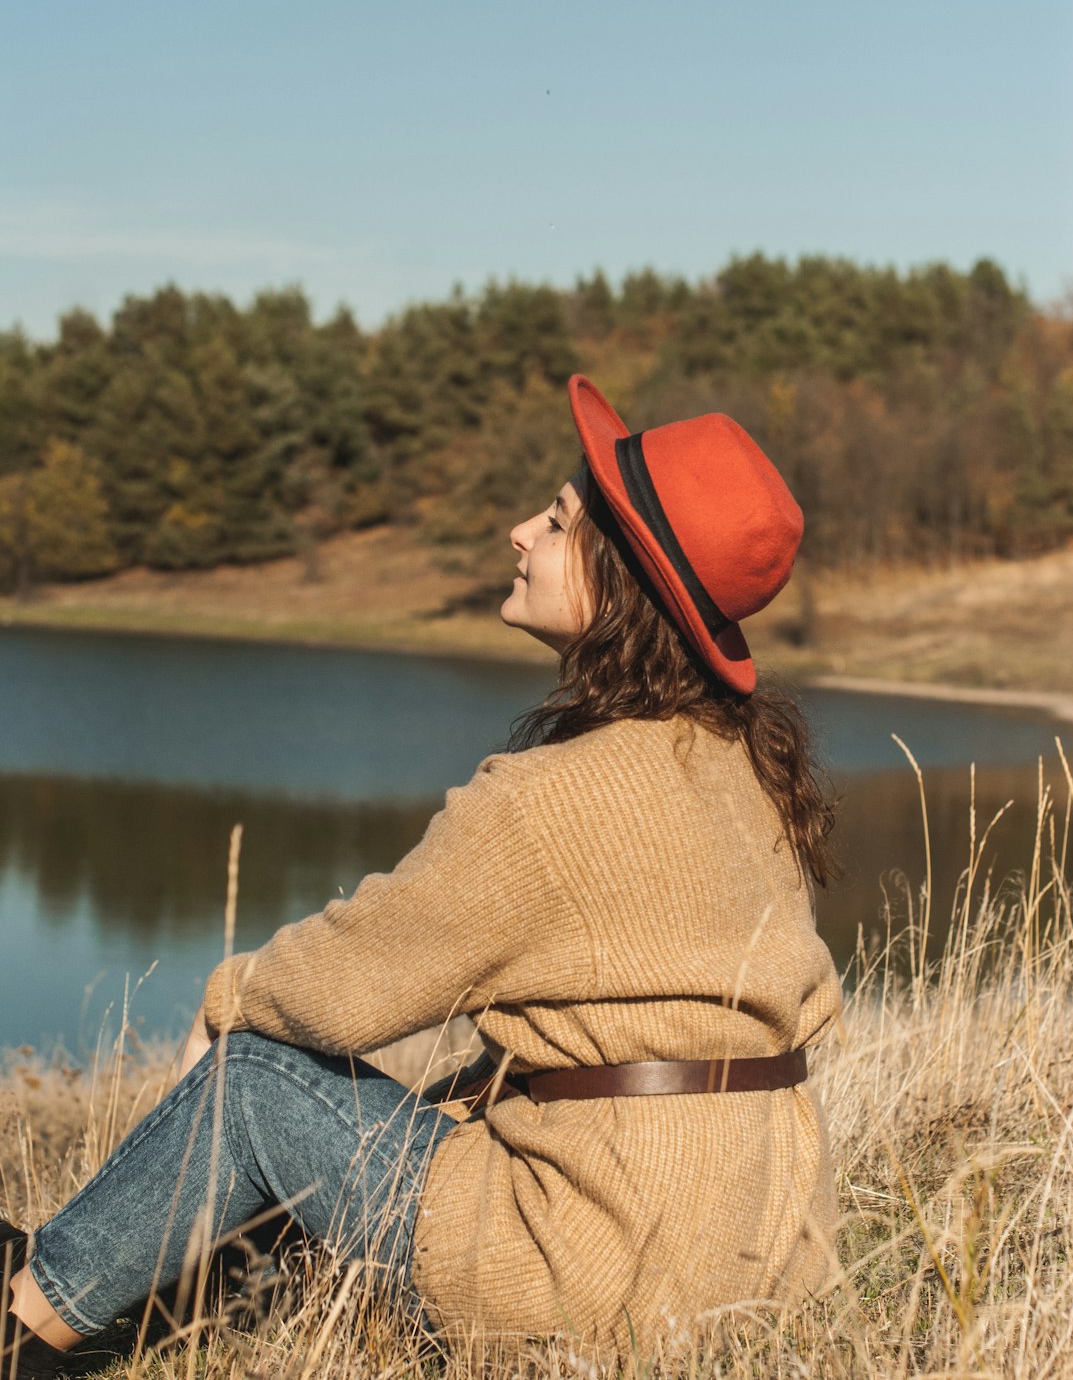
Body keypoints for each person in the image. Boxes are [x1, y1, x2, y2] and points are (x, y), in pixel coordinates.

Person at [2, 374, 841, 1374]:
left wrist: (234, 993)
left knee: (258, 1078)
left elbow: (351, 984)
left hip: (594, 1276)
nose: (519, 530)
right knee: (458, 1082)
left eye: (558, 517)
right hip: (762, 1257)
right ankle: (175, 1287)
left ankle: (27, 1321)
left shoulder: (549, 799)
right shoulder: (748, 769)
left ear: (620, 578)